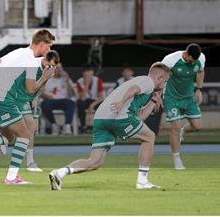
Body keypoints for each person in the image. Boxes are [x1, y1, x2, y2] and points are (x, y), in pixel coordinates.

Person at [49, 63, 170, 191]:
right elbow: (133, 89)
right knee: (150, 136)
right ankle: (142, 181)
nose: (165, 84)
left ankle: (59, 173)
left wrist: (154, 101)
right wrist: (121, 102)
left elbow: (138, 117)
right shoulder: (148, 81)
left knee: (95, 162)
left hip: (101, 119)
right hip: (118, 117)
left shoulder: (142, 85)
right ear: (160, 78)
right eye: (166, 81)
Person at [0, 29, 56, 185]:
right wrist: (45, 78)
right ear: (41, 44)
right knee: (25, 135)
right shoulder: (31, 60)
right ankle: (12, 177)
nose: (49, 50)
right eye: (49, 46)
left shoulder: (17, 52)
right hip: (2, 99)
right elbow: (30, 89)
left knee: (10, 136)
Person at [11, 50, 60, 172]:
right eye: (50, 65)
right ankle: (30, 163)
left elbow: (42, 85)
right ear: (44, 60)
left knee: (32, 129)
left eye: (54, 66)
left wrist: (36, 98)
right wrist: (31, 97)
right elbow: (27, 86)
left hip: (31, 97)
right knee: (30, 127)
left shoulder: (49, 69)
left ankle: (28, 160)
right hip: (20, 97)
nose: (52, 68)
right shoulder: (33, 65)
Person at [161, 43, 205, 170]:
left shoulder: (200, 59)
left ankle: (183, 130)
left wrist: (199, 89)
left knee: (197, 126)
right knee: (175, 127)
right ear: (186, 54)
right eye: (191, 60)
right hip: (171, 98)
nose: (193, 63)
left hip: (189, 97)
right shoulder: (170, 60)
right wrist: (157, 95)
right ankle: (176, 159)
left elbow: (201, 72)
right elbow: (160, 76)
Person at [40, 63, 77, 135]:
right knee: (44, 104)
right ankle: (54, 124)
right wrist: (46, 96)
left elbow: (71, 95)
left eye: (60, 68)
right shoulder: (47, 79)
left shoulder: (66, 80)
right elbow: (41, 93)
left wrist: (67, 80)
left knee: (71, 103)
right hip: (50, 100)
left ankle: (67, 126)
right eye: (57, 68)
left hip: (63, 101)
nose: (59, 70)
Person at [75, 65, 105, 133]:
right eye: (85, 71)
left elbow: (101, 97)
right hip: (85, 100)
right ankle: (83, 126)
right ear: (83, 73)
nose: (87, 73)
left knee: (102, 106)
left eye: (89, 71)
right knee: (80, 103)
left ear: (93, 72)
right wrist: (87, 84)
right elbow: (82, 98)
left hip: (96, 101)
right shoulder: (79, 81)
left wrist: (92, 105)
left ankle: (101, 127)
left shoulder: (98, 80)